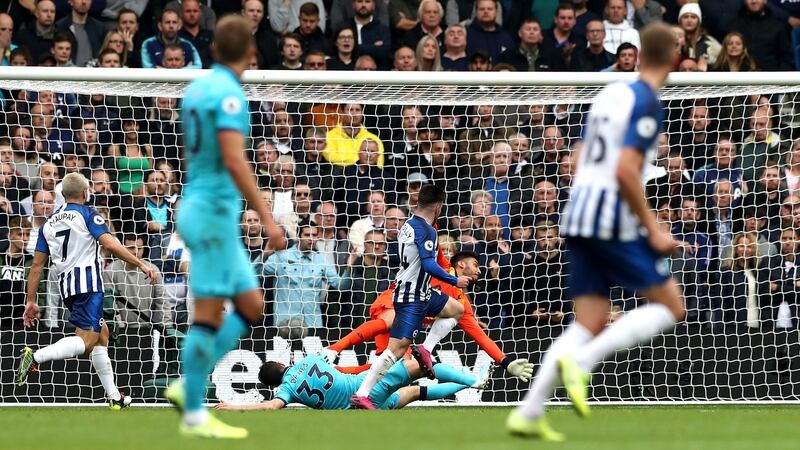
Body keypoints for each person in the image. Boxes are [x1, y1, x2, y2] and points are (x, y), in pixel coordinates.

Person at [508, 23, 685, 441]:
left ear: (639, 54)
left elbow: (583, 152)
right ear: (676, 57)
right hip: (609, 216)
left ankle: (529, 412)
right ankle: (584, 362)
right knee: (671, 306)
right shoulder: (646, 101)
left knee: (587, 319)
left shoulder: (610, 92)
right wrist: (653, 229)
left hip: (578, 211)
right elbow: (626, 170)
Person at [161, 15, 285, 439]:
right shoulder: (230, 96)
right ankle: (193, 404)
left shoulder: (196, 90)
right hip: (212, 215)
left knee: (251, 306)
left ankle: (188, 385)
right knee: (210, 314)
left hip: (201, 207)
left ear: (213, 50)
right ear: (251, 54)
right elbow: (234, 160)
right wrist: (267, 217)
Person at [16, 173, 157, 410]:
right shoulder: (88, 214)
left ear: (63, 195)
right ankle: (36, 356)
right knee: (88, 341)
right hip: (89, 285)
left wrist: (31, 301)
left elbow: (37, 266)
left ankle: (114, 396)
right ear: (85, 193)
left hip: (67, 287)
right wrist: (142, 263)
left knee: (102, 334)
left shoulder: (48, 223)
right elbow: (109, 244)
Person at [323, 250, 534, 382]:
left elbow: (481, 337)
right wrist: (431, 214)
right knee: (390, 320)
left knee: (393, 367)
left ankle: (336, 370)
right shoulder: (443, 268)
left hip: (407, 324)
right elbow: (434, 243)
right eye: (476, 265)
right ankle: (333, 349)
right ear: (461, 264)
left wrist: (505, 362)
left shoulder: (461, 305)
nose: (480, 271)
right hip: (394, 300)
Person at [349, 184, 471, 410]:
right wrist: (455, 280)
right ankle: (362, 393)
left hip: (421, 292)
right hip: (411, 296)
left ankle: (425, 348)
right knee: (396, 349)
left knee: (456, 309)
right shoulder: (427, 230)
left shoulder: (407, 225)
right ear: (438, 206)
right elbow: (427, 264)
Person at [214, 353, 492, 411]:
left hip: (360, 408)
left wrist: (235, 405)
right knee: (421, 365)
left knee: (416, 393)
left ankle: (471, 383)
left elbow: (270, 407)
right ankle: (473, 380)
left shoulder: (286, 391)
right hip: (365, 387)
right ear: (284, 364)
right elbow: (335, 370)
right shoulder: (309, 360)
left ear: (274, 384)